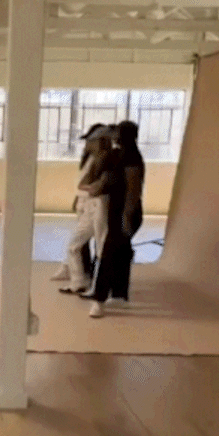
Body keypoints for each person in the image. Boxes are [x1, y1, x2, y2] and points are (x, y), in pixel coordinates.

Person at [81, 120, 146, 317]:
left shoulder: (132, 157)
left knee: (109, 253)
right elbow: (103, 180)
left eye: (117, 132)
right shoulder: (118, 155)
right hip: (116, 212)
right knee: (122, 253)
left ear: (124, 135)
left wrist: (126, 217)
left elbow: (134, 191)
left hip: (126, 213)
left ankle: (99, 300)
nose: (114, 135)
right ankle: (119, 295)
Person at [59, 131, 114, 293]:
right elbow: (84, 185)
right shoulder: (94, 160)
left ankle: (100, 289)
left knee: (101, 249)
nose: (87, 145)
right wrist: (89, 189)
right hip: (90, 206)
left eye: (91, 141)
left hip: (99, 207)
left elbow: (96, 188)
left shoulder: (107, 161)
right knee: (74, 246)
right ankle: (78, 282)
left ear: (100, 142)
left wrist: (91, 188)